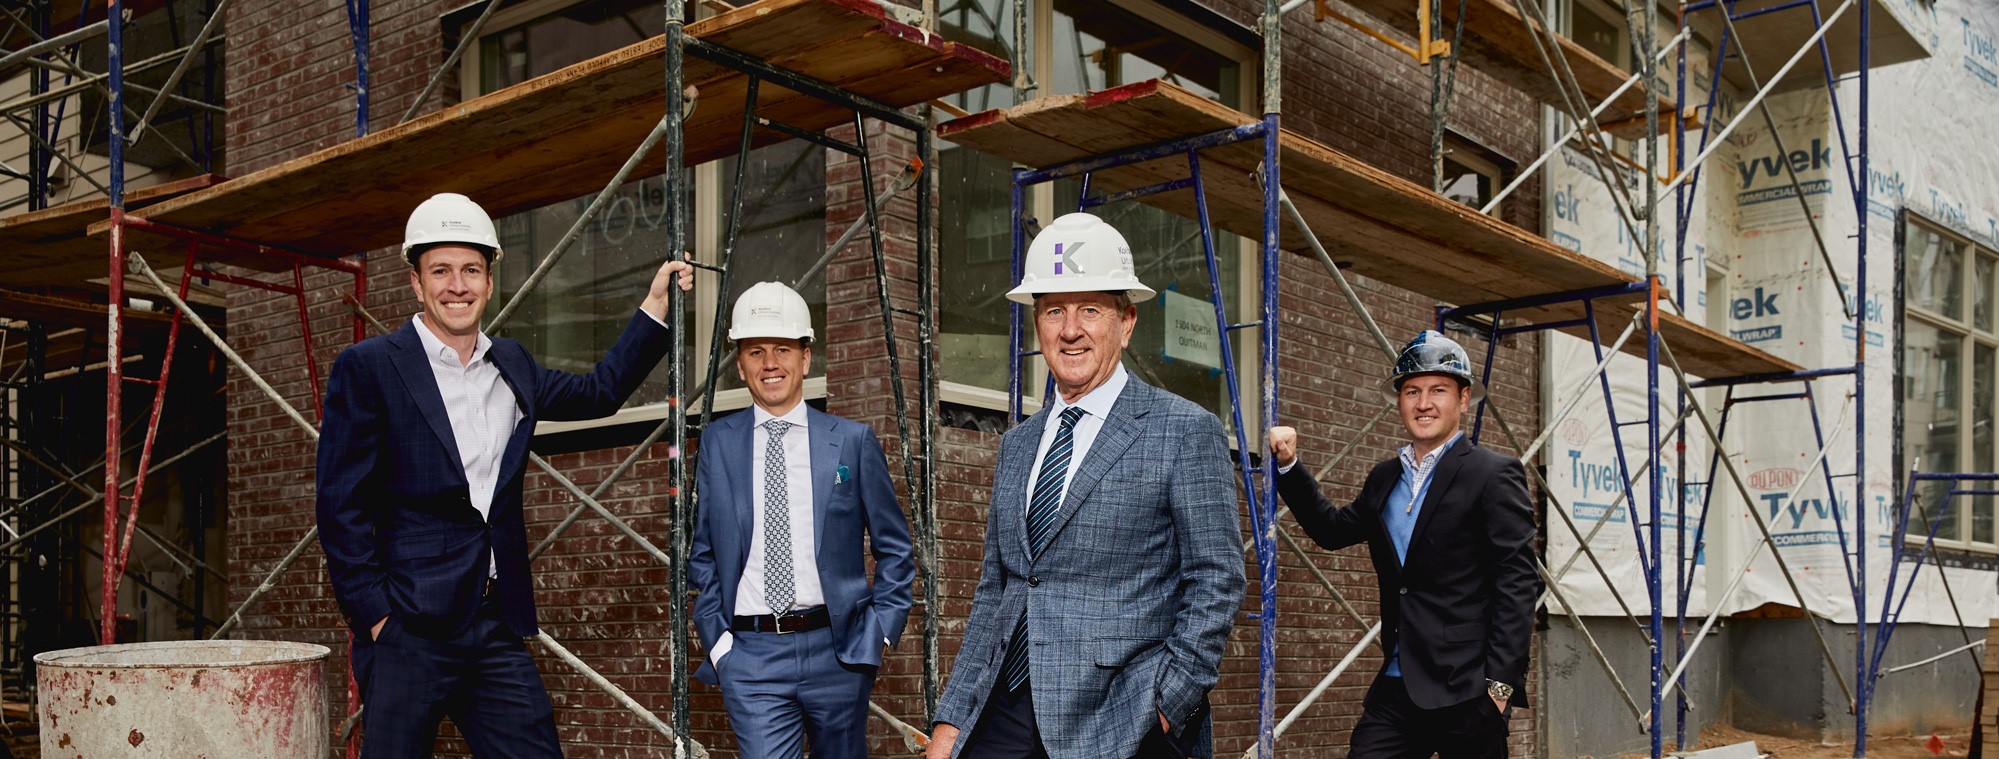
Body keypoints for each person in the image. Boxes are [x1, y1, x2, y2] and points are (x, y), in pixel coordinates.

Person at [316, 192, 693, 758]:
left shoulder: (510, 364)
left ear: (490, 281)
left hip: (493, 622)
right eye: (440, 271)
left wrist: (654, 307)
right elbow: (339, 505)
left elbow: (599, 393)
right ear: (417, 283)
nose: (457, 286)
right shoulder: (369, 368)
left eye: (471, 270)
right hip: (408, 630)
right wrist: (377, 618)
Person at [928, 212, 1244, 759]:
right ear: (1038, 326)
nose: (1070, 329)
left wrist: (1169, 705)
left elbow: (1217, 580)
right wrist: (952, 721)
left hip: (1124, 717)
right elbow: (996, 590)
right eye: (1054, 311)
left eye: (1090, 310)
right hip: (1006, 708)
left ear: (1126, 323)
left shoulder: (1184, 430)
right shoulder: (1018, 445)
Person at [1265, 330, 1538, 759]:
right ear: (1399, 401)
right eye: (1411, 391)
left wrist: (1499, 687)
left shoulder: (1493, 474)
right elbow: (1333, 531)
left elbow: (1518, 581)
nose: (1423, 403)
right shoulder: (1385, 476)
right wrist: (1289, 466)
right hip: (1399, 685)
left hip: (1468, 691)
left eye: (1438, 390)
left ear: (1463, 400)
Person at [688, 281, 915, 758]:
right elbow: (703, 552)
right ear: (741, 364)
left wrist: (879, 632)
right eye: (756, 351)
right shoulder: (718, 443)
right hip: (750, 658)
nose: (770, 363)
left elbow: (895, 545)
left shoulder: (851, 442)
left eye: (783, 350)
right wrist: (719, 645)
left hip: (838, 653)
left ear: (806, 358)